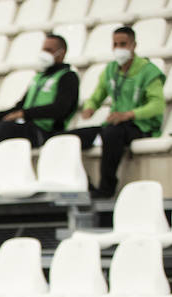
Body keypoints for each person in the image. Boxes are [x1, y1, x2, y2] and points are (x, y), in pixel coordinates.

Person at [0, 33, 78, 169]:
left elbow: (61, 109)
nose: (43, 54)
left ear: (61, 53)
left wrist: (24, 114)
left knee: (6, 128)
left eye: (49, 50)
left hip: (44, 132)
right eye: (43, 49)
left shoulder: (68, 77)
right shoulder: (39, 78)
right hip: (23, 127)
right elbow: (20, 107)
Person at [68, 25, 166, 198]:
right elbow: (97, 95)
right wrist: (91, 107)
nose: (118, 49)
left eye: (123, 44)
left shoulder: (148, 71)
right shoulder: (111, 70)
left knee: (111, 134)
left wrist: (129, 114)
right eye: (115, 44)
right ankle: (83, 184)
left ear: (133, 45)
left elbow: (157, 105)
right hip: (114, 123)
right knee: (71, 138)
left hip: (141, 126)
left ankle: (106, 189)